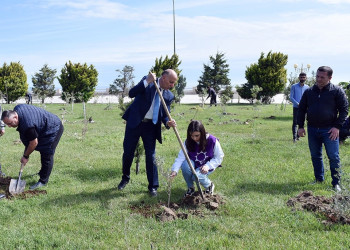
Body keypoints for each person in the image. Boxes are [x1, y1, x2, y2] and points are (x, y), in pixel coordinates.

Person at [117, 69, 177, 197]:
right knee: (128, 152)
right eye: (171, 82)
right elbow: (131, 93)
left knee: (151, 156)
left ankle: (153, 187)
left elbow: (165, 115)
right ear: (164, 78)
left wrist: (168, 122)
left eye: (174, 83)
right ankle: (125, 178)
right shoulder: (149, 82)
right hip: (135, 122)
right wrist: (146, 81)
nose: (172, 85)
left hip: (151, 126)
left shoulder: (168, 96)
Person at [297, 66, 348, 192]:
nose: (319, 79)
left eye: (322, 77)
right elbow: (302, 109)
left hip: (330, 130)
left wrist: (337, 127)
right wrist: (301, 126)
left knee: (333, 156)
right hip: (313, 129)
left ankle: (336, 183)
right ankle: (319, 179)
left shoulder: (337, 91)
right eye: (317, 77)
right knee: (315, 155)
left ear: (330, 78)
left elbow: (344, 110)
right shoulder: (309, 91)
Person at [1, 104, 64, 189]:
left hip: (53, 128)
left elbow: (33, 143)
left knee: (47, 153)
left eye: (10, 123)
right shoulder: (17, 108)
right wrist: (25, 154)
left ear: (15, 117)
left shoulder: (28, 125)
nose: (9, 126)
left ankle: (43, 181)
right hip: (43, 127)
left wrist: (25, 156)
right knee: (43, 151)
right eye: (7, 124)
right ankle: (42, 172)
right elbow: (28, 139)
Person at [170, 120, 224, 196]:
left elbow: (219, 157)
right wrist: (175, 170)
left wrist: (208, 166)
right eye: (192, 136)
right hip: (194, 163)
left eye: (197, 135)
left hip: (206, 165)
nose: (194, 138)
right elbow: (181, 158)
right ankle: (190, 188)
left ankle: (209, 186)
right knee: (185, 165)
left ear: (202, 132)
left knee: (197, 176)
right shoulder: (188, 142)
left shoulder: (212, 140)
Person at [290, 72, 309, 142]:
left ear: (306, 78)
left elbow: (308, 98)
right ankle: (294, 137)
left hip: (304, 108)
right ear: (299, 78)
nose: (302, 79)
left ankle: (298, 136)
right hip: (296, 107)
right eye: (301, 77)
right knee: (295, 122)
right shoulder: (294, 86)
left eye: (304, 77)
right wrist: (297, 104)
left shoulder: (307, 87)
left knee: (302, 122)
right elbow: (291, 97)